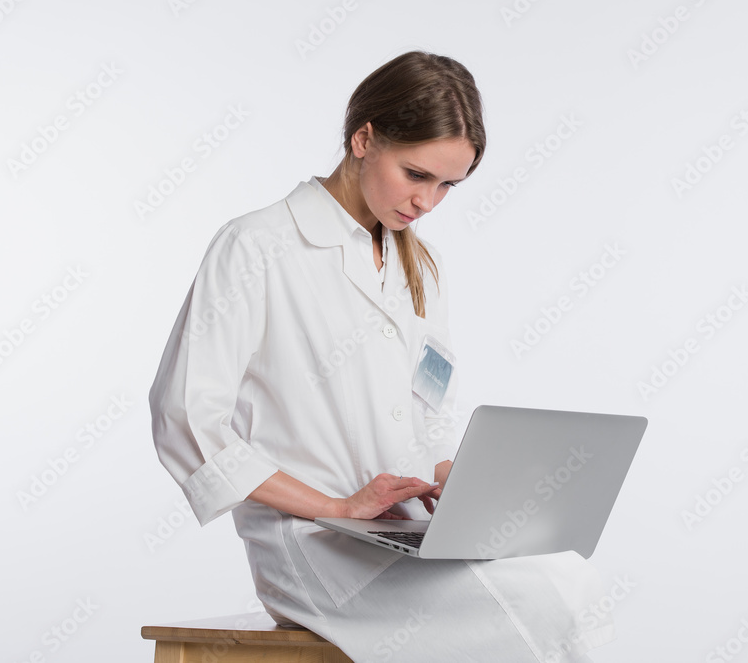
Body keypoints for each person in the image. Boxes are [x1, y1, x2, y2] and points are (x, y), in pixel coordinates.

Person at [149, 50, 614, 662]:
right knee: (557, 595)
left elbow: (429, 408)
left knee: (565, 570)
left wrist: (460, 484)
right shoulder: (258, 245)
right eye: (417, 174)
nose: (428, 201)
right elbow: (186, 415)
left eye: (448, 185)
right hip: (314, 543)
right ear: (363, 138)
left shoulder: (422, 266)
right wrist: (337, 507)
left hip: (399, 532)